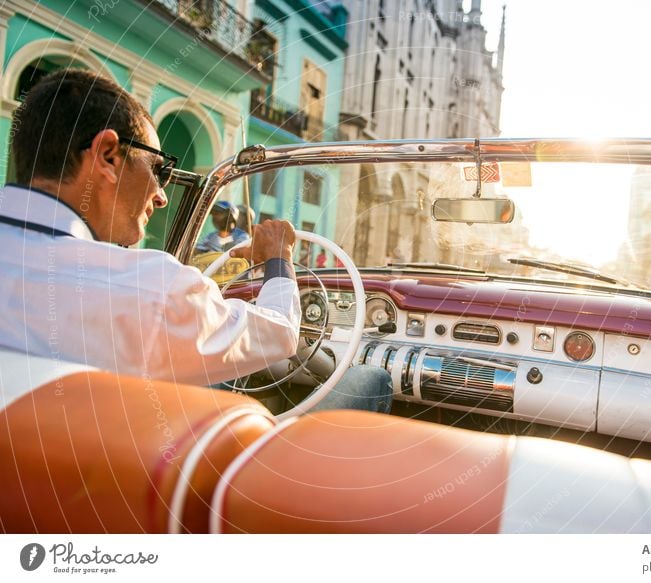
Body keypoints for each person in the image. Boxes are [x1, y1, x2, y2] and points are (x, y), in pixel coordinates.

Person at [0, 69, 391, 413]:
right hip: (152, 484)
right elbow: (280, 333)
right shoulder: (153, 290)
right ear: (108, 155)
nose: (162, 194)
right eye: (159, 168)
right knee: (370, 378)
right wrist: (278, 258)